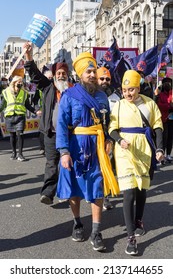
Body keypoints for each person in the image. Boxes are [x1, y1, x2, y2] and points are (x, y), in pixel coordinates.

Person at [56, 52, 119, 251]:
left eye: (93, 71)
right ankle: (77, 223)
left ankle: (96, 231)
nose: (92, 75)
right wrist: (64, 152)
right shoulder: (69, 95)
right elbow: (61, 124)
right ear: (80, 73)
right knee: (74, 189)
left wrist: (109, 139)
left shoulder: (102, 96)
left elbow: (108, 122)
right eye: (88, 72)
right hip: (75, 147)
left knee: (97, 186)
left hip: (98, 147)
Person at [108, 70, 164, 255]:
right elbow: (112, 129)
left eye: (131, 89)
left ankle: (139, 219)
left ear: (138, 88)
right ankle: (130, 237)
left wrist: (160, 149)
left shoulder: (150, 104)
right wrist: (119, 140)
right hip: (124, 150)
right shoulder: (118, 105)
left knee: (141, 189)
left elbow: (158, 127)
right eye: (125, 90)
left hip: (144, 149)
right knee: (129, 191)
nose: (128, 94)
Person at [23, 41, 73, 205]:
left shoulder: (74, 90)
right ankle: (48, 193)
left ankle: (68, 191)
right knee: (51, 164)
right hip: (51, 133)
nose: (60, 76)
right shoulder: (48, 87)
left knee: (69, 164)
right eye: (58, 73)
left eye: (63, 73)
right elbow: (35, 75)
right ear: (54, 75)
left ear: (67, 75)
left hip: (69, 134)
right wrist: (28, 56)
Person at [97, 66, 121, 210]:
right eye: (102, 78)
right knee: (95, 167)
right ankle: (95, 193)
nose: (105, 81)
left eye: (107, 79)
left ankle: (105, 196)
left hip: (109, 137)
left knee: (107, 167)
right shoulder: (90, 94)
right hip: (93, 136)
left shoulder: (115, 96)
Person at [0, 75, 38, 161]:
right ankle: (14, 153)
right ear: (14, 82)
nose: (20, 83)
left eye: (21, 82)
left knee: (20, 135)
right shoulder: (6, 92)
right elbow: (2, 106)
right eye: (18, 82)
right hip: (9, 117)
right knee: (12, 135)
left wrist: (35, 111)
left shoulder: (24, 93)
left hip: (20, 117)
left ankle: (20, 154)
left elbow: (28, 106)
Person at [32, 71, 54, 155]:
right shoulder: (39, 89)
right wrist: (37, 109)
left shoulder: (56, 86)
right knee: (43, 130)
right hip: (43, 112)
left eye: (51, 78)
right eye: (48, 78)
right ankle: (42, 147)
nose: (50, 80)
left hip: (52, 111)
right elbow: (35, 100)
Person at [154, 77, 173, 163]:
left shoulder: (172, 93)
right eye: (166, 83)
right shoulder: (161, 95)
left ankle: (168, 154)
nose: (168, 85)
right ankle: (162, 155)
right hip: (164, 118)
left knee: (170, 137)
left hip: (171, 119)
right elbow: (160, 106)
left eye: (169, 83)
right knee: (164, 137)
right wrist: (169, 106)